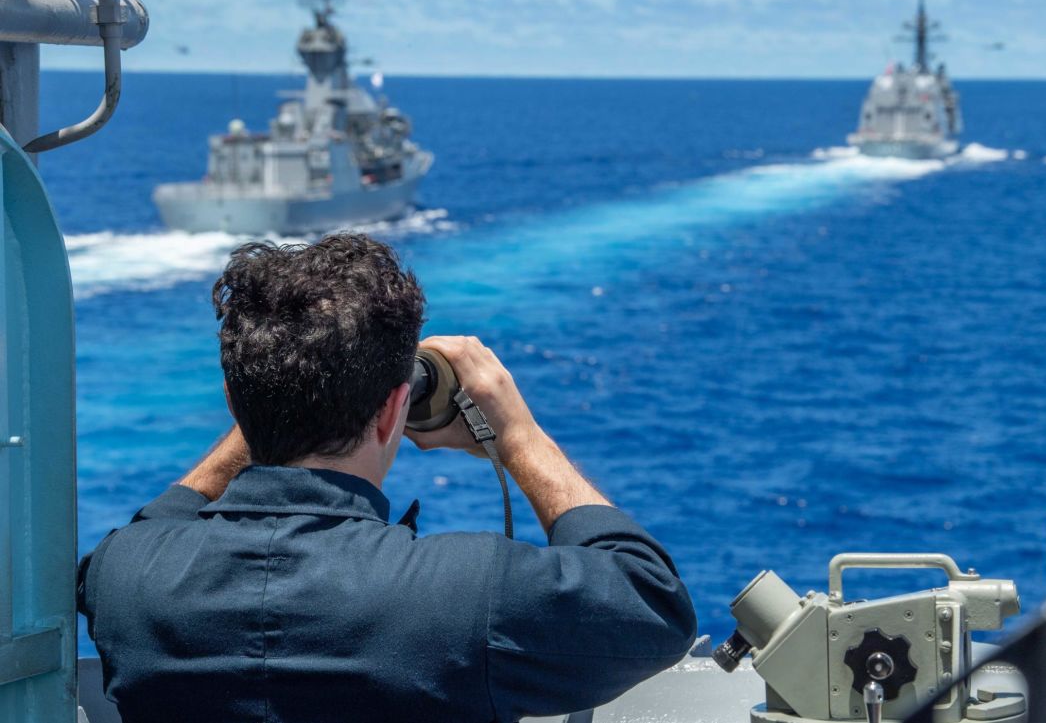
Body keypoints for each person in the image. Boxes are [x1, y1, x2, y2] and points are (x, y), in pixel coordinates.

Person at [78, 234, 697, 722]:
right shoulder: (465, 594)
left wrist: (277, 401)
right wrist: (519, 439)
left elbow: (162, 523)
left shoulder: (126, 579)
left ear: (233, 405)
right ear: (394, 411)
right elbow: (653, 606)